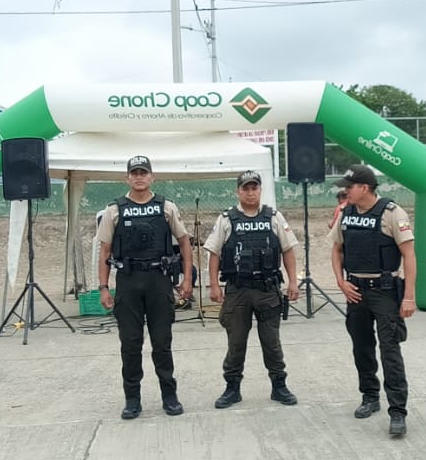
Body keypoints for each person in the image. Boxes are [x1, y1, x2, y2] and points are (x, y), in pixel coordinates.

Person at [95, 155, 194, 420]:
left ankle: (169, 396)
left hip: (158, 281)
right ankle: (132, 399)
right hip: (128, 282)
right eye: (135, 173)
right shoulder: (114, 210)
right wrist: (103, 287)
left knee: (162, 343)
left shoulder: (166, 207)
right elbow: (104, 250)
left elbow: (184, 241)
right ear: (127, 178)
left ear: (152, 177)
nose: (139, 177)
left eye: (143, 173)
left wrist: (187, 279)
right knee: (130, 344)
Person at [329, 164, 417, 437]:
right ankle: (369, 396)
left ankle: (398, 411)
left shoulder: (392, 213)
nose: (345, 191)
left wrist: (409, 297)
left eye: (350, 187)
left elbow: (409, 255)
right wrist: (341, 282)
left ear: (364, 187)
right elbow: (336, 250)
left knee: (390, 351)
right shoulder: (346, 213)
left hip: (385, 290)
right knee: (362, 348)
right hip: (355, 290)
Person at [203, 170, 302, 409]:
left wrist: (292, 281)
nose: (250, 192)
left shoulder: (274, 217)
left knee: (272, 342)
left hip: (267, 290)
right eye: (245, 188)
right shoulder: (226, 219)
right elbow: (214, 253)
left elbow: (287, 250)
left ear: (260, 190)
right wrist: (214, 285)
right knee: (236, 343)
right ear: (238, 191)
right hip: (238, 290)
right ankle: (232, 388)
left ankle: (279, 386)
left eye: (254, 187)